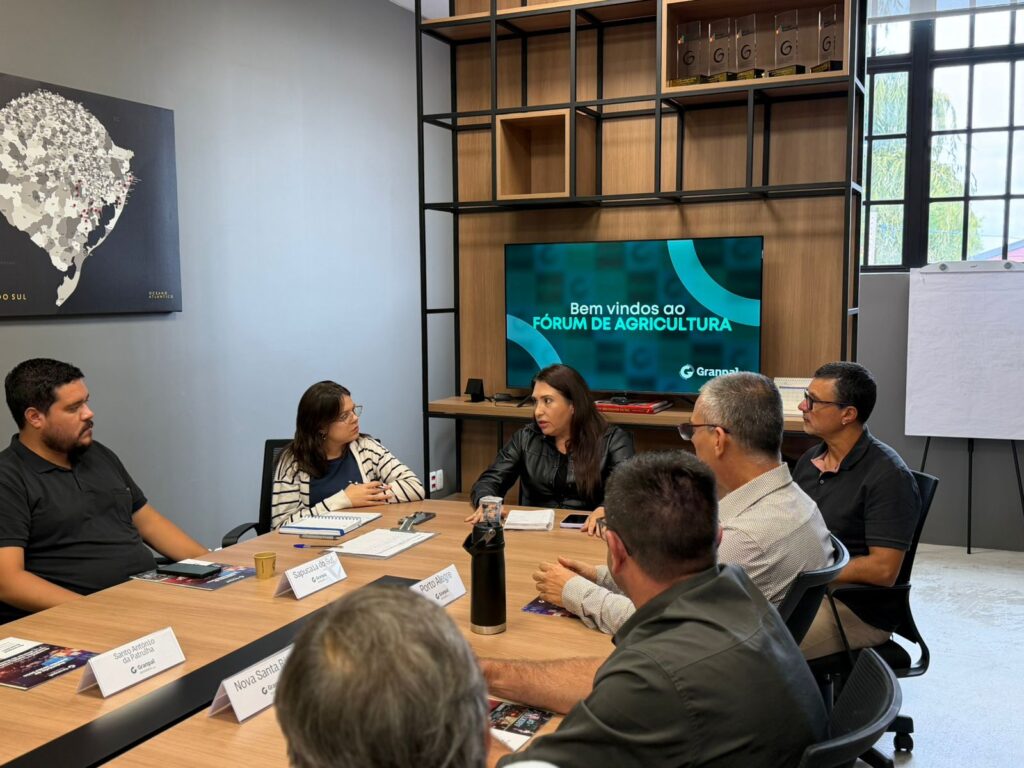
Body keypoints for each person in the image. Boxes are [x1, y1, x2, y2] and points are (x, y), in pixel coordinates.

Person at [484, 451, 827, 768]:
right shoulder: (739, 594)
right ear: (718, 538)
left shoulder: (656, 678)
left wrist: (459, 716)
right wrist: (488, 674)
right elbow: (614, 677)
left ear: (616, 549)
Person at [534, 372, 833, 634]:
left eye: (691, 430)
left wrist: (573, 591)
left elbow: (658, 622)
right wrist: (601, 577)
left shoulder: (745, 540)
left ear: (718, 439)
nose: (689, 441)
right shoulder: (798, 501)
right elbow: (674, 591)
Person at [0, 359, 208, 624]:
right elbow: (8, 581)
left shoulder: (97, 455)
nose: (89, 414)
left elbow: (150, 523)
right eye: (74, 408)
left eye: (86, 402)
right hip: (79, 619)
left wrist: (217, 566)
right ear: (35, 417)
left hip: (144, 600)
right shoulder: (8, 478)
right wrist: (99, 612)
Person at [792, 361, 921, 660]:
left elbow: (884, 570)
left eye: (812, 400)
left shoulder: (889, 476)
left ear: (848, 414)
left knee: (756, 650)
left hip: (855, 609)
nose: (802, 406)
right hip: (811, 591)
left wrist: (805, 574)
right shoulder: (810, 460)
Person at [467, 364, 633, 523]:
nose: (538, 411)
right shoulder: (525, 438)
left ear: (573, 405)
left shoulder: (614, 440)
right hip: (533, 534)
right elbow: (489, 481)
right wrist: (487, 501)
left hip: (588, 533)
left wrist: (606, 509)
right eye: (535, 402)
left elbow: (628, 490)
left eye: (547, 401)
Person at [271, 381, 424, 529]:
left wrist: (366, 496)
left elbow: (414, 486)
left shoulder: (366, 447)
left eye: (354, 410)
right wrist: (343, 500)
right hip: (313, 542)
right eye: (344, 416)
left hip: (363, 535)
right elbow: (281, 526)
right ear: (321, 426)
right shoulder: (293, 462)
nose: (355, 418)